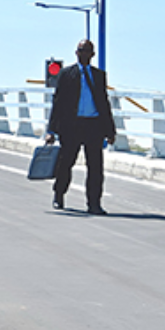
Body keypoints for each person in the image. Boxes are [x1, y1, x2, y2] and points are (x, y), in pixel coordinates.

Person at [44, 39, 116, 215]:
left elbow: (104, 103)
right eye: (81, 51)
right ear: (76, 53)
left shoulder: (99, 76)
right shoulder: (67, 74)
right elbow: (58, 103)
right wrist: (51, 130)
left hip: (94, 125)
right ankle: (59, 194)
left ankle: (94, 203)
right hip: (72, 126)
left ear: (92, 55)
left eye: (88, 51)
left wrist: (110, 130)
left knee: (95, 167)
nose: (84, 54)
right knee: (66, 163)